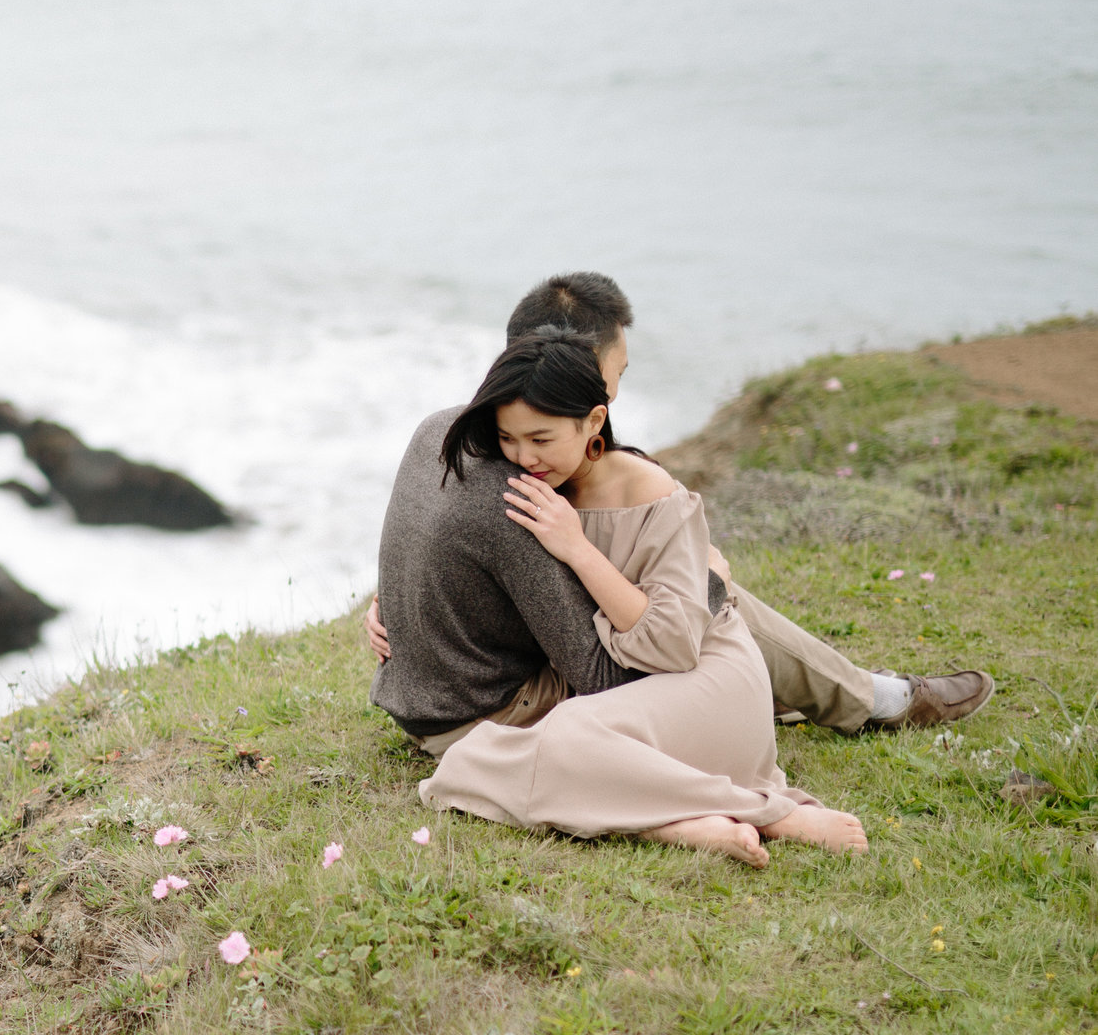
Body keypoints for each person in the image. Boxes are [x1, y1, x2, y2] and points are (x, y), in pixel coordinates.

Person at [365, 273, 994, 734]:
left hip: (458, 680)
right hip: (514, 693)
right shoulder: (524, 492)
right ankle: (872, 700)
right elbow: (611, 666)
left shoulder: (451, 433)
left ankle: (854, 695)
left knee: (690, 594)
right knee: (711, 605)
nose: (611, 397)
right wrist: (708, 588)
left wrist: (397, 606)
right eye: (611, 377)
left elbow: (435, 544)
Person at [409, 332, 865, 866]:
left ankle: (774, 814)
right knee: (475, 758)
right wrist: (394, 610)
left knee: (564, 739)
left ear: (595, 423)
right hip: (633, 696)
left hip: (707, 679)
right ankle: (680, 825)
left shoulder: (655, 496)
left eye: (541, 439)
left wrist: (577, 549)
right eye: (508, 439)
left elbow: (673, 647)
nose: (522, 457)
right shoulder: (535, 485)